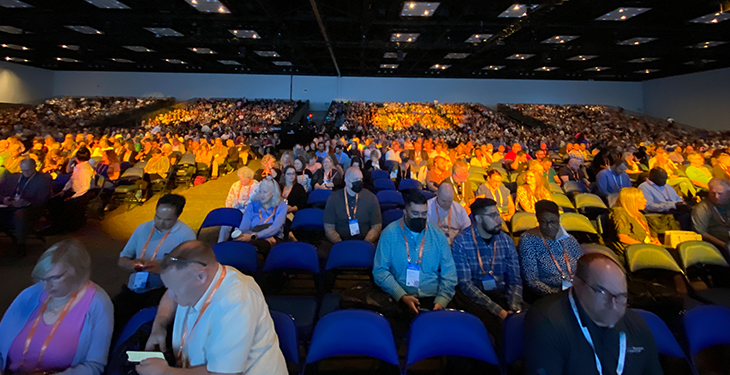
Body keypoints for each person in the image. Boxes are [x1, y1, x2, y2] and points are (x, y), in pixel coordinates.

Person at [138, 241, 287, 375]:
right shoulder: (201, 279)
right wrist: (159, 326)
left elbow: (224, 374)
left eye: (175, 289)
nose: (171, 295)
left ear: (201, 277)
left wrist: (165, 372)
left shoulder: (236, 303)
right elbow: (171, 293)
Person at [525, 252, 662, 375]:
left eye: (621, 296)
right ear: (578, 284)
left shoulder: (636, 325)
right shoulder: (548, 324)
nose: (614, 305)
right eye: (603, 293)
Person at [0, 240, 113, 375]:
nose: (46, 287)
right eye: (42, 279)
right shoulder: (31, 294)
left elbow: (95, 366)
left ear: (77, 273)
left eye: (55, 278)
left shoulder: (98, 304)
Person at [372, 190, 457, 336]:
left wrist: (441, 302)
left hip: (433, 298)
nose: (420, 218)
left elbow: (449, 274)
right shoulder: (390, 233)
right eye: (415, 214)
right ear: (405, 212)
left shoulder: (437, 235)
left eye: (424, 214)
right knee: (388, 334)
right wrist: (401, 295)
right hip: (399, 297)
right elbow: (380, 271)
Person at [114, 194, 196, 333]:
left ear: (177, 217)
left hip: (162, 291)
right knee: (114, 317)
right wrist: (131, 264)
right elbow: (122, 259)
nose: (160, 223)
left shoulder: (186, 235)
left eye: (167, 220)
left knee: (146, 326)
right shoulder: (143, 229)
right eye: (157, 217)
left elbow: (189, 272)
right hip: (134, 288)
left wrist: (162, 269)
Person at [451, 198, 523, 338]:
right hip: (476, 298)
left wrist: (514, 309)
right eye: (493, 215)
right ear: (478, 218)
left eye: (498, 214)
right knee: (492, 329)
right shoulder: (462, 241)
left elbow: (514, 278)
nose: (499, 220)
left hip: (502, 294)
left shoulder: (506, 240)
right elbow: (466, 284)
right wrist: (499, 311)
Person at [519, 200, 583, 302]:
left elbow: (582, 266)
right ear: (538, 220)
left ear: (559, 219)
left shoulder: (568, 239)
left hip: (575, 291)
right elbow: (532, 280)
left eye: (552, 222)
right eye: (543, 222)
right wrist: (557, 294)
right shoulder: (528, 240)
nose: (549, 226)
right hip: (550, 296)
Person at [321, 167, 382, 259]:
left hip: (365, 240)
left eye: (360, 179)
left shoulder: (371, 197)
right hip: (340, 241)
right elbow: (329, 227)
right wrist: (340, 244)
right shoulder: (334, 198)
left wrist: (366, 243)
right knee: (322, 254)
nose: (359, 182)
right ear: (346, 181)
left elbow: (376, 226)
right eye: (355, 180)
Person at [0, 158, 52, 256]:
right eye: (23, 170)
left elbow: (42, 199)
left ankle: (20, 244)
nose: (26, 173)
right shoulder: (13, 178)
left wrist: (25, 203)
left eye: (29, 170)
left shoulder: (43, 179)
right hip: (9, 206)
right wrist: (4, 199)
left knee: (19, 214)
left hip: (30, 208)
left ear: (35, 167)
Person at [232, 179, 287, 256]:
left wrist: (255, 236)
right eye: (260, 191)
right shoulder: (252, 204)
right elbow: (244, 227)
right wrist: (252, 236)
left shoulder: (281, 205)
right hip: (252, 235)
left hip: (273, 236)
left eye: (265, 192)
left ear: (274, 193)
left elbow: (276, 228)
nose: (261, 195)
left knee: (254, 248)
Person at [47, 147, 95, 232]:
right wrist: (64, 190)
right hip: (74, 191)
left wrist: (73, 197)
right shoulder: (78, 167)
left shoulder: (85, 170)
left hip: (82, 194)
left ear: (76, 158)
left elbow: (85, 187)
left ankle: (59, 227)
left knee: (65, 205)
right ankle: (54, 223)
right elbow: (71, 178)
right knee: (53, 201)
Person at [610, 187, 662, 257]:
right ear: (632, 201)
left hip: (645, 247)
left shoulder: (640, 215)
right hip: (632, 251)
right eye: (642, 198)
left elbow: (647, 235)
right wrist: (644, 246)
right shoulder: (620, 213)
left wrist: (654, 241)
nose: (645, 200)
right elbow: (623, 237)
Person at [692, 178, 730, 251]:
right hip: (715, 246)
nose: (716, 196)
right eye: (712, 193)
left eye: (720, 194)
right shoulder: (702, 208)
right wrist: (724, 245)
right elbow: (700, 232)